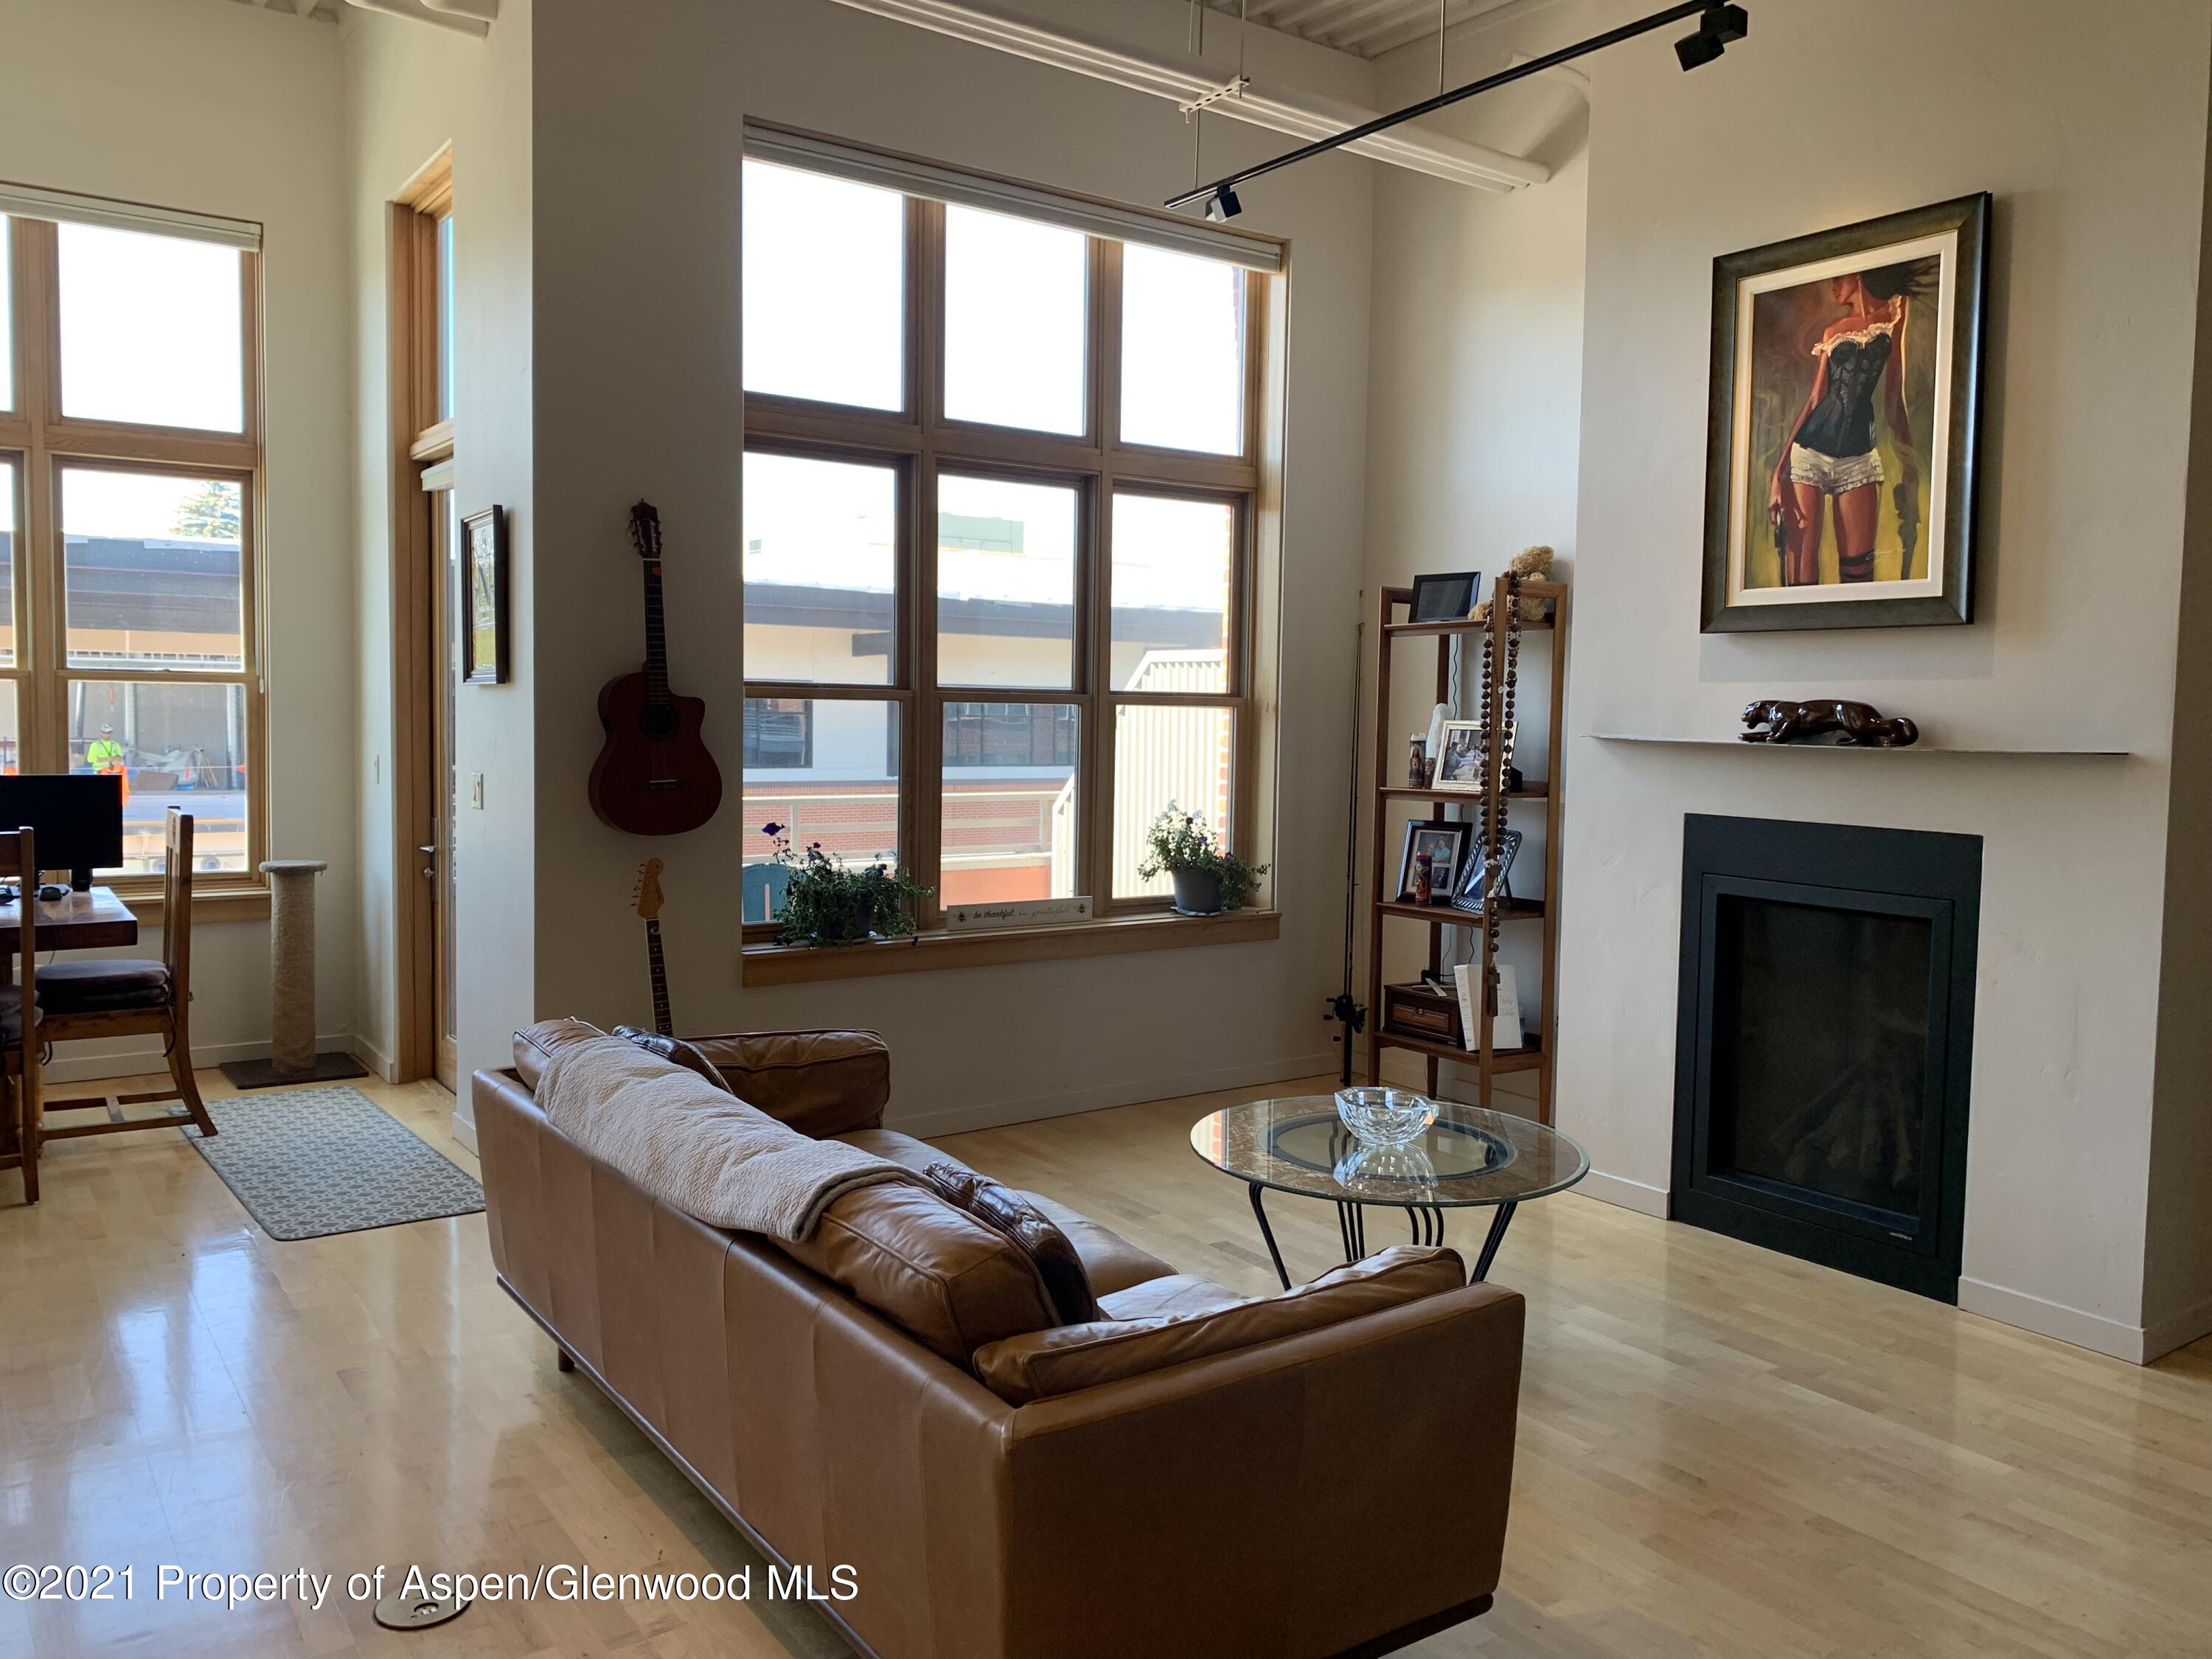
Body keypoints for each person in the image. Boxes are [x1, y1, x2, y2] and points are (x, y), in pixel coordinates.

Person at [1767, 260, 1932, 586]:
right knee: (1800, 578)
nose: (1832, 286)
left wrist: (1909, 466)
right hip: (1808, 455)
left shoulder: (1895, 316)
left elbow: (1894, 401)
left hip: (1859, 459)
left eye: (1837, 278)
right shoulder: (1833, 332)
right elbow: (1815, 400)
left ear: (1857, 274)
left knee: (1859, 577)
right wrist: (1778, 471)